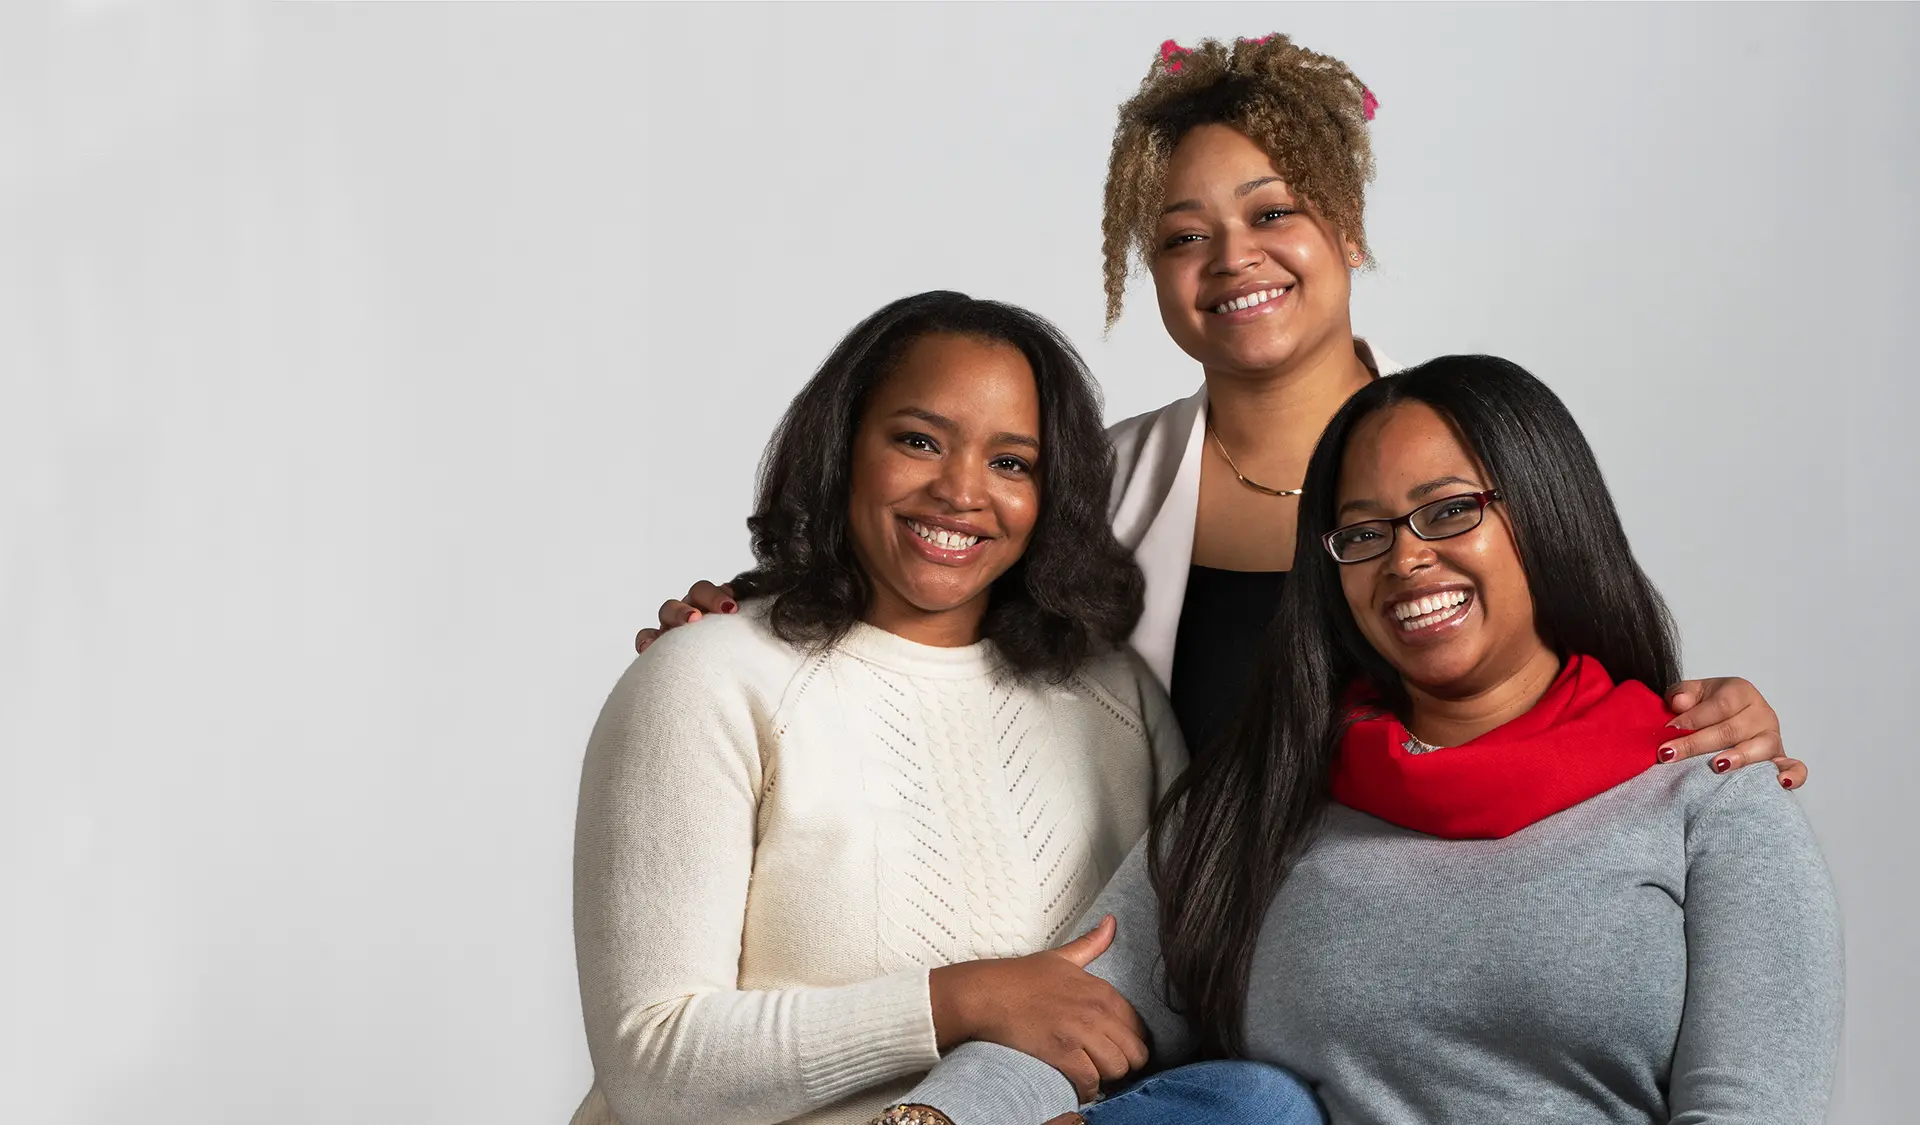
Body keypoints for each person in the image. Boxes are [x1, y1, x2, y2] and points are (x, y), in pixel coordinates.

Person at [632, 33, 1804, 784]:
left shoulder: (1471, 455)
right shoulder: (1088, 480)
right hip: (1165, 985)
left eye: (1270, 214)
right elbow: (920, 596)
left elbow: (1595, 683)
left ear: (1344, 226)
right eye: (1182, 238)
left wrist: (1717, 718)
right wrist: (753, 624)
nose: (1230, 259)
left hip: (1435, 971)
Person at [879, 356, 1843, 1125]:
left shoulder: (1713, 794)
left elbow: (1752, 1107)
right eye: (1363, 532)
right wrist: (928, 1119)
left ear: (1547, 514)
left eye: (1452, 509)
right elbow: (1065, 1012)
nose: (1408, 556)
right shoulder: (1261, 796)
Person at [572, 292, 1198, 1125]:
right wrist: (960, 1000)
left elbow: (1181, 993)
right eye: (918, 441)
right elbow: (652, 1061)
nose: (960, 490)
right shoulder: (710, 679)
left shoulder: (1115, 698)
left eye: (1012, 462)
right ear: (843, 449)